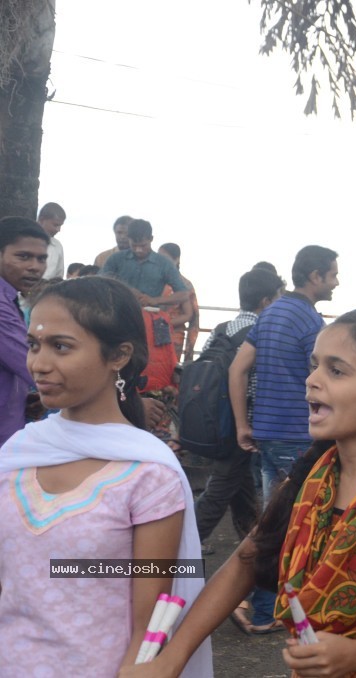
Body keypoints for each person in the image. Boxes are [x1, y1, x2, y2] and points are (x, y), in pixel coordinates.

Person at [121, 310, 356, 677]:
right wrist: (171, 659)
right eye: (315, 365)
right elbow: (244, 564)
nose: (311, 380)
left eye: (336, 371)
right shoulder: (316, 476)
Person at [0, 277, 212, 677]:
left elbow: (149, 621)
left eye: (60, 346)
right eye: (33, 345)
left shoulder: (148, 476)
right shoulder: (16, 457)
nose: (39, 364)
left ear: (119, 355)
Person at [227, 244, 338, 633]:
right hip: (297, 436)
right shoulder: (310, 323)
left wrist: (244, 423)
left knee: (272, 519)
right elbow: (326, 380)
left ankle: (256, 604)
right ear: (315, 277)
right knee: (292, 525)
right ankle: (261, 611)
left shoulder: (270, 312)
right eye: (332, 274)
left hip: (266, 433)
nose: (337, 281)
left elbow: (238, 368)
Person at [192, 267, 285, 552]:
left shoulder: (222, 330)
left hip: (216, 421)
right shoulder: (262, 334)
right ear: (266, 302)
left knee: (241, 491)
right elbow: (260, 382)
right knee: (218, 494)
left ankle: (254, 549)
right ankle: (177, 550)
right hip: (243, 423)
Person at [0, 217, 48, 446]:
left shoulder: (10, 299)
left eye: (42, 259)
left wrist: (20, 395)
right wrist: (119, 400)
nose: (35, 267)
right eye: (23, 256)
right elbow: (34, 363)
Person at [101, 219, 191, 307]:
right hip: (119, 313)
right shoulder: (116, 259)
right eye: (134, 245)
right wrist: (125, 289)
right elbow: (99, 282)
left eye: (143, 245)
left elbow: (183, 294)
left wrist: (155, 300)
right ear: (128, 239)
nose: (138, 250)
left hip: (148, 315)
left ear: (151, 239)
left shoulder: (164, 263)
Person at [157, 242, 198, 362]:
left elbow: (192, 317)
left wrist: (165, 323)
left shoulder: (185, 285)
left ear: (176, 260)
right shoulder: (153, 281)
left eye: (165, 259)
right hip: (149, 335)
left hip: (173, 338)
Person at [37, 201, 66, 280]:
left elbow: (58, 277)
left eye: (60, 226)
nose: (58, 229)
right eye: (55, 225)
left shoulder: (57, 246)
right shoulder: (24, 241)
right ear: (41, 220)